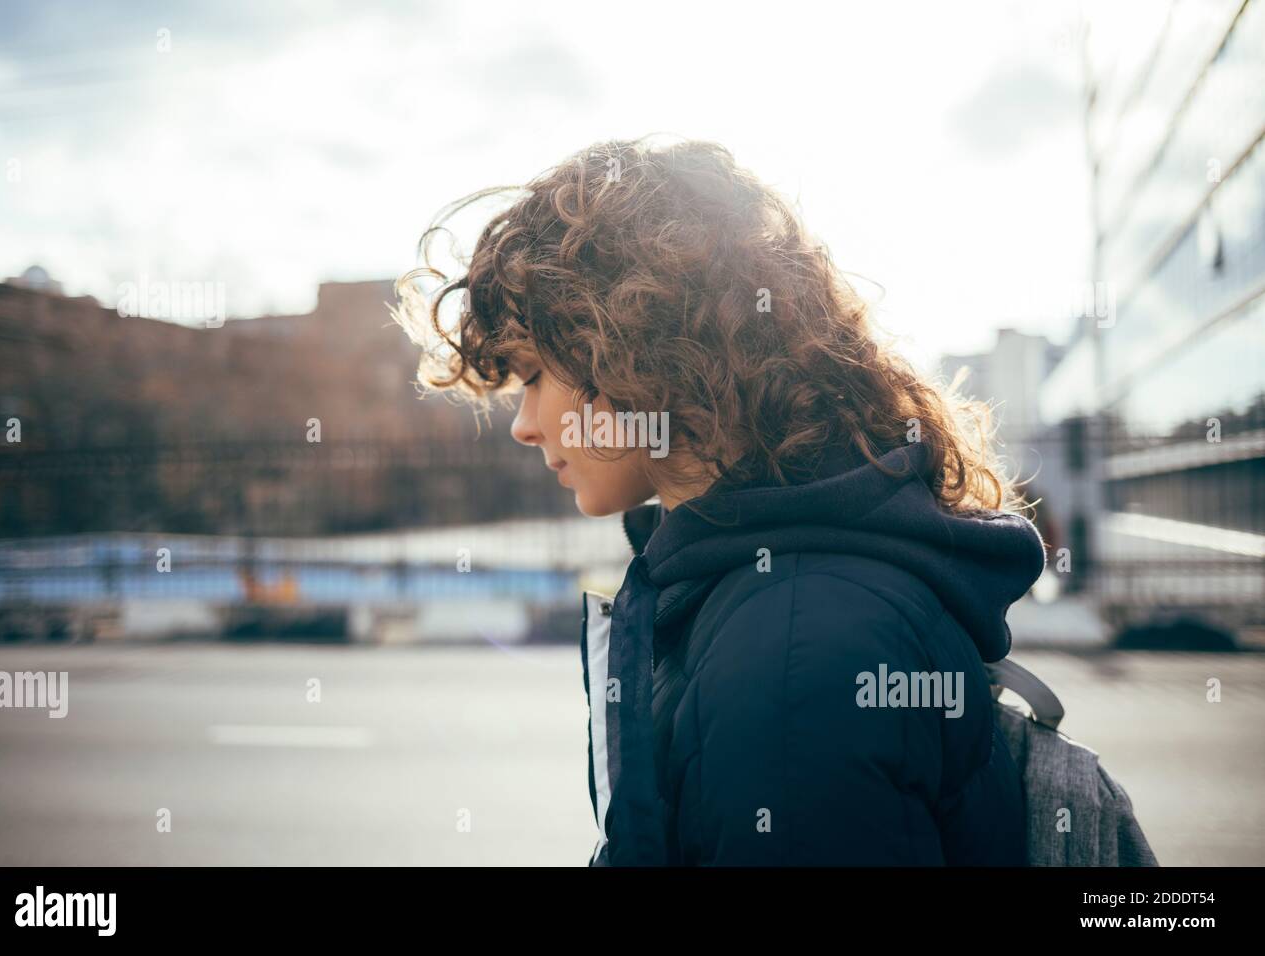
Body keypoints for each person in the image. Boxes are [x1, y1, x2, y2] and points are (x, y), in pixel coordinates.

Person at [394, 137, 1047, 866]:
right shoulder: (772, 591)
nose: (522, 424)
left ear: (636, 350)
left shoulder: (793, 661)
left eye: (536, 375)